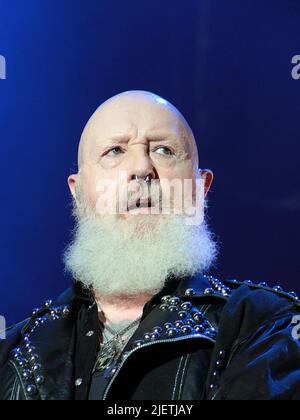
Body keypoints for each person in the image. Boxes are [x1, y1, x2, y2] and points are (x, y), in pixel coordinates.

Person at [0, 90, 300, 400]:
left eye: (163, 150)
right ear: (77, 193)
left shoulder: (265, 325)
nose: (142, 168)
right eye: (115, 151)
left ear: (200, 188)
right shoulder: (13, 350)